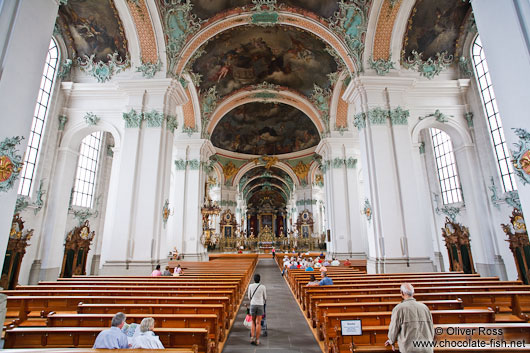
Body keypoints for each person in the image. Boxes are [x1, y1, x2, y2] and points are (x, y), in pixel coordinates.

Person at [385, 283, 434, 352]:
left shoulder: (398, 308)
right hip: (426, 348)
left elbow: (394, 328)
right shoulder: (425, 307)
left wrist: (391, 341)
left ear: (402, 293)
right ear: (413, 293)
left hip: (409, 349)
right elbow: (431, 328)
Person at [248, 274, 267, 346]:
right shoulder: (263, 287)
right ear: (259, 279)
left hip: (253, 304)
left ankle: (252, 338)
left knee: (253, 321)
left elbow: (249, 296)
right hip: (260, 305)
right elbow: (265, 297)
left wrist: (253, 301)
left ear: (254, 279)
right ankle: (257, 339)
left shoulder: (250, 286)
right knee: (258, 322)